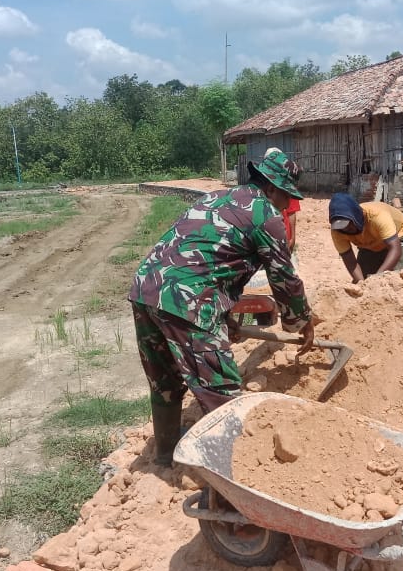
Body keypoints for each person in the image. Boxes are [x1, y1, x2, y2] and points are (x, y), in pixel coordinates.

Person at [128, 149, 314, 467]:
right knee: (222, 390)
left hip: (146, 289)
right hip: (188, 300)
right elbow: (284, 278)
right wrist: (302, 322)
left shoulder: (215, 198)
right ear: (271, 188)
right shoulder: (265, 215)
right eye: (286, 196)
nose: (286, 205)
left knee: (164, 381)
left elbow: (211, 259)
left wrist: (224, 317)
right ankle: (231, 480)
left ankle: (164, 456)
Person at [329, 192, 403, 283]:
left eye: (348, 225)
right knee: (363, 279)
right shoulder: (337, 231)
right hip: (370, 243)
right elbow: (349, 260)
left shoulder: (377, 216)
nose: (346, 230)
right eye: (341, 227)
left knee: (395, 279)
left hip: (398, 235)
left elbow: (395, 249)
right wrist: (362, 284)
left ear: (356, 217)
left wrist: (376, 278)